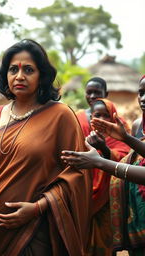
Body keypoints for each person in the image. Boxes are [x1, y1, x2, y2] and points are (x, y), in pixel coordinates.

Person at [0, 39, 92, 256]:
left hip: (38, 230)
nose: (20, 76)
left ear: (42, 76)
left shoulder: (60, 116)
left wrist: (37, 208)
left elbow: (77, 174)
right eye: (13, 69)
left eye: (29, 70)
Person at [63, 75, 145, 255]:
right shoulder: (138, 126)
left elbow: (125, 157)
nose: (143, 98)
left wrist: (101, 156)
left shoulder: (119, 126)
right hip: (92, 192)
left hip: (108, 195)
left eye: (97, 93)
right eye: (141, 93)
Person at [83, 99, 130, 255]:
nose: (102, 120)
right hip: (86, 198)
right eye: (97, 115)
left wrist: (104, 148)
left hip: (109, 200)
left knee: (106, 242)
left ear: (112, 117)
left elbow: (124, 161)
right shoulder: (83, 135)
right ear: (91, 117)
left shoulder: (119, 136)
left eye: (106, 116)